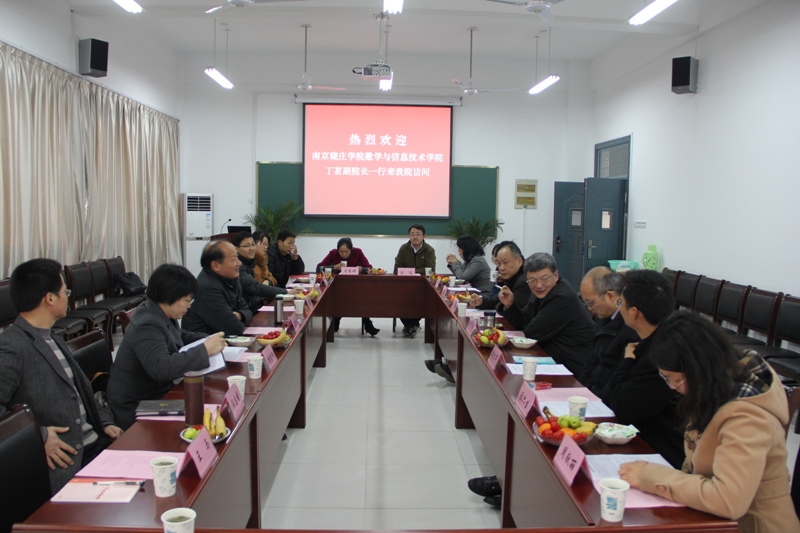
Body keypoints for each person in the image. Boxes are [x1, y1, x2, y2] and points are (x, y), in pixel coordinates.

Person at [619, 311, 800, 533]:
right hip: (713, 519)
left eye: (674, 380)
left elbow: (728, 500)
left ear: (698, 369)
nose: (673, 387)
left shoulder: (747, 416)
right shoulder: (714, 389)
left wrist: (649, 476)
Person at [0, 259, 122, 494]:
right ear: (50, 298)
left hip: (95, 443)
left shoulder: (52, 336)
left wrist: (105, 422)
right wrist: (40, 436)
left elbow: (80, 393)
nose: (67, 297)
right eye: (65, 292)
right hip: (70, 461)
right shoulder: (12, 346)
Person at [107, 264, 228, 430]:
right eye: (187, 300)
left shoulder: (159, 311)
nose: (189, 306)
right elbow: (161, 367)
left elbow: (178, 335)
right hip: (137, 404)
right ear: (171, 296)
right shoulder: (147, 324)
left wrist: (208, 339)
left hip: (157, 392)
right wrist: (205, 349)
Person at [602, 269, 684, 468]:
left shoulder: (661, 356)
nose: (619, 308)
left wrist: (627, 361)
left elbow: (621, 406)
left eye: (621, 303)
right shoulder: (654, 337)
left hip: (663, 454)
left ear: (634, 312)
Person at [499, 252, 595, 376]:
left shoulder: (562, 298)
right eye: (532, 280)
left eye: (544, 279)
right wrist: (510, 305)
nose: (539, 285)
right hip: (552, 357)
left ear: (556, 275)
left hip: (572, 367)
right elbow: (524, 321)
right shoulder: (541, 291)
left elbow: (531, 333)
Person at [577, 267, 639, 395]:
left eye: (591, 303)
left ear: (610, 296)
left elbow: (616, 376)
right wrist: (581, 391)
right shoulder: (603, 317)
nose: (589, 309)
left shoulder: (631, 326)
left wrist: (596, 398)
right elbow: (592, 359)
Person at [182, 241, 253, 335]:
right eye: (233, 259)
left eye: (237, 257)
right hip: (205, 342)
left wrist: (238, 315)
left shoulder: (230, 279)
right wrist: (240, 316)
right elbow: (235, 328)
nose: (239, 263)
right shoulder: (209, 289)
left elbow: (247, 311)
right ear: (216, 266)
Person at [316, 237, 380, 336]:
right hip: (337, 287)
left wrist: (362, 269)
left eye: (346, 251)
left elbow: (369, 268)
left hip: (356, 287)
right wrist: (334, 267)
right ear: (337, 250)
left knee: (361, 300)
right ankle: (335, 323)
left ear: (351, 249)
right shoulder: (333, 253)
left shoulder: (357, 252)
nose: (344, 254)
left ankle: (367, 324)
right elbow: (319, 268)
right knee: (340, 299)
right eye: (341, 252)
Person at [394, 224, 436, 338]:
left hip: (422, 285)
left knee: (423, 301)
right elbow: (397, 268)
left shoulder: (429, 250)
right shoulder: (404, 248)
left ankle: (410, 325)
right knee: (398, 300)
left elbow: (430, 269)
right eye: (412, 234)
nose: (415, 237)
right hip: (404, 285)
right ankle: (411, 325)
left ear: (424, 236)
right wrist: (415, 271)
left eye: (418, 234)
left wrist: (410, 271)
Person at [233, 231, 290, 314]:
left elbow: (272, 278)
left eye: (253, 244)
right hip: (249, 310)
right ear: (236, 248)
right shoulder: (238, 267)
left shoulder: (253, 261)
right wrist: (286, 292)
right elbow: (256, 287)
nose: (252, 248)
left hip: (256, 305)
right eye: (247, 246)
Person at [469, 241, 530, 312]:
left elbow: (508, 308)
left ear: (519, 261)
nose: (501, 268)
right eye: (499, 263)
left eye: (505, 262)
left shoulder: (525, 281)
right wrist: (481, 301)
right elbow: (497, 300)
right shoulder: (512, 277)